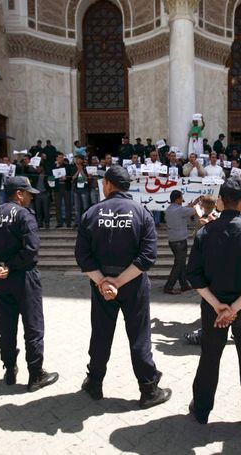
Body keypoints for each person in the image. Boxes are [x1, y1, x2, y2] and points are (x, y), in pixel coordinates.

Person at [74, 166, 171, 409]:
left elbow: (82, 257)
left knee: (100, 334)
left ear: (107, 183)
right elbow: (148, 257)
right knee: (139, 335)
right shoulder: (142, 213)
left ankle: (94, 382)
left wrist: (104, 282)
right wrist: (117, 282)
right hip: (133, 283)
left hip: (102, 285)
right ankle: (148, 389)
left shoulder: (91, 213)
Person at [186, 176, 241, 433]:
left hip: (214, 308)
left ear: (221, 201)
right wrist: (233, 308)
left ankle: (201, 409)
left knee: (210, 358)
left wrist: (219, 306)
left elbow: (194, 275)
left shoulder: (205, 233)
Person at [0, 176, 59, 391]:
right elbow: (31, 250)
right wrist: (10, 266)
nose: (31, 197)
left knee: (6, 325)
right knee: (33, 327)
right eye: (28, 193)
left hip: (0, 279)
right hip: (23, 278)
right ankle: (35, 374)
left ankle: (9, 368)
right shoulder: (24, 215)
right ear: (19, 194)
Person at [163, 190, 198, 295]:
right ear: (177, 199)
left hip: (173, 240)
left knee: (181, 263)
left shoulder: (169, 209)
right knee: (179, 265)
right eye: (181, 198)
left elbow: (185, 209)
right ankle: (169, 287)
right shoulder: (180, 210)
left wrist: (193, 203)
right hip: (179, 242)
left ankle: (184, 285)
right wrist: (200, 204)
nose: (182, 200)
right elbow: (193, 211)